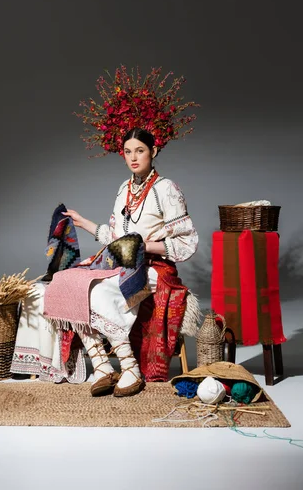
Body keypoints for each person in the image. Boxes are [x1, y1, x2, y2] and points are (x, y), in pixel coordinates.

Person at [11, 127, 198, 397]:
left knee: (97, 292)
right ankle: (100, 364)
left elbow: (187, 242)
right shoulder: (124, 189)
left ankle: (129, 368)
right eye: (128, 152)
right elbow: (114, 238)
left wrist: (141, 246)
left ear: (153, 152)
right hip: (120, 261)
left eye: (140, 151)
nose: (134, 157)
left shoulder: (166, 189)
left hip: (153, 267)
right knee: (67, 282)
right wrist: (82, 221)